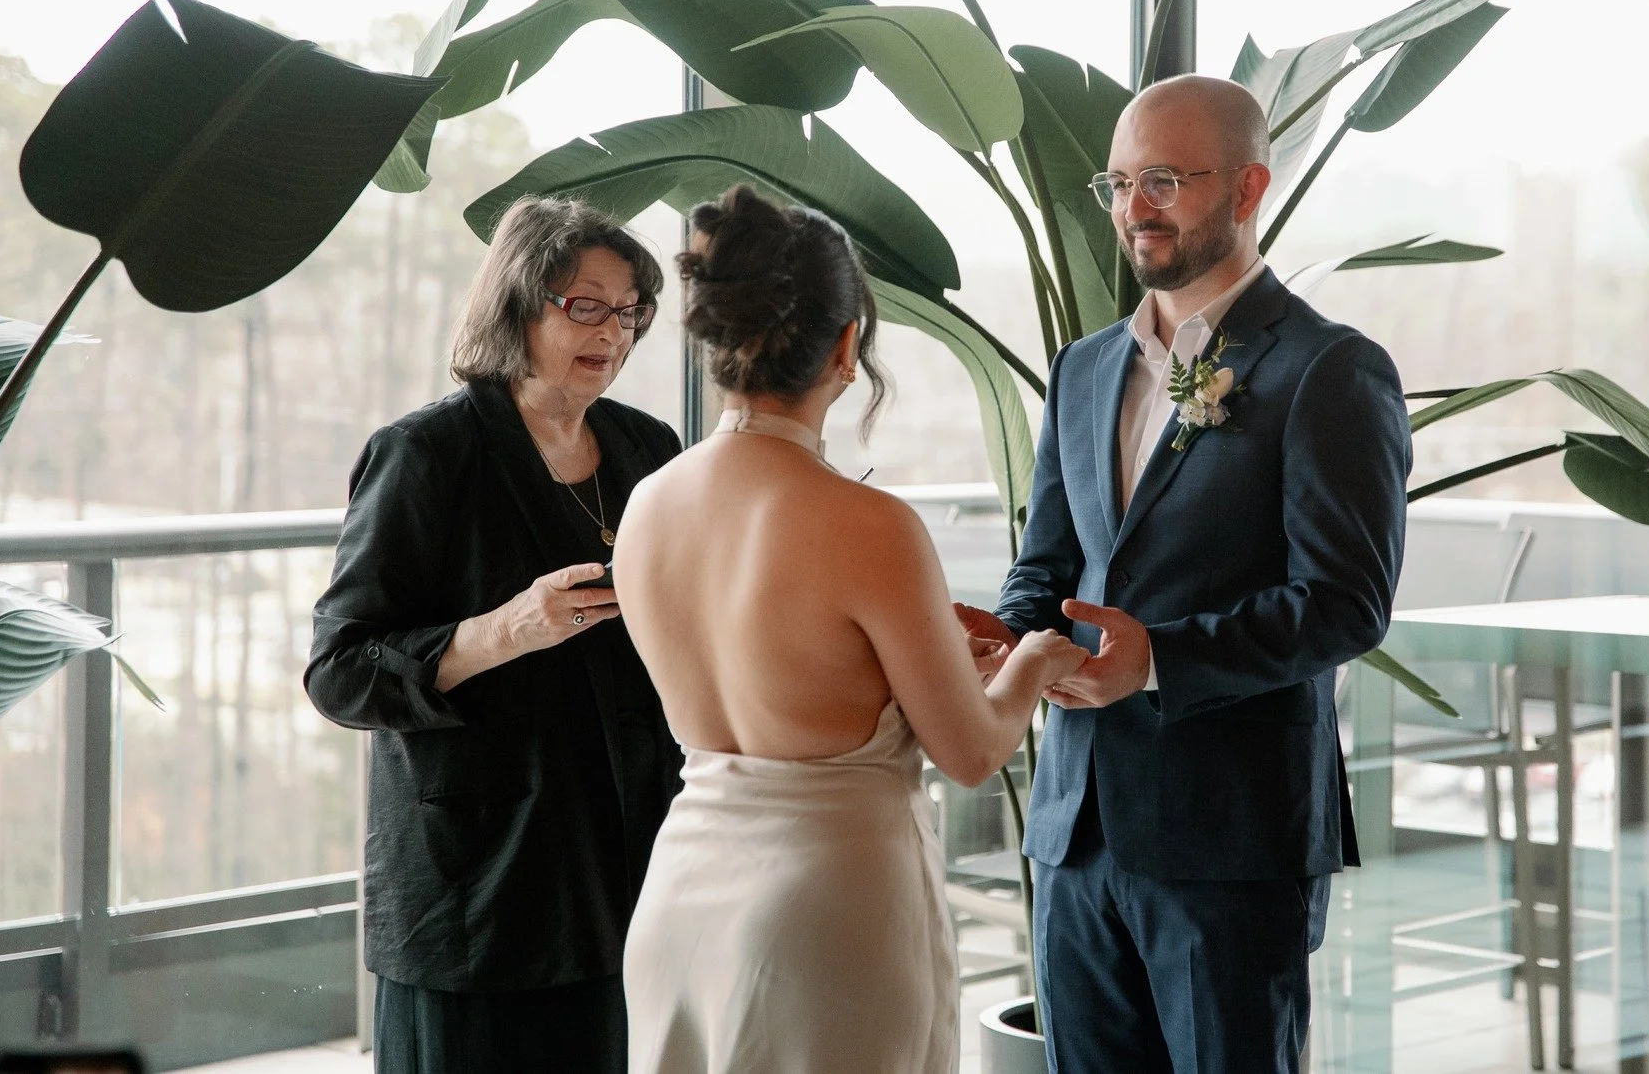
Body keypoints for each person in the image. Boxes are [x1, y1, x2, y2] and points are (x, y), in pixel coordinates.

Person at [959, 75, 1413, 1074]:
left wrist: (1155, 657)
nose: (1133, 206)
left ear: (1247, 188)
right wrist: (1004, 639)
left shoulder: (1328, 370)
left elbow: (1345, 603)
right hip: (1073, 833)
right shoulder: (1081, 368)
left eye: (1162, 178)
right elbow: (1048, 561)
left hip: (1230, 840)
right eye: (1117, 181)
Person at [613, 184, 1086, 1074]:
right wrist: (1030, 660)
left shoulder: (648, 504)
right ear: (844, 347)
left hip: (681, 901)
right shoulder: (870, 525)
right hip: (825, 917)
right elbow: (973, 751)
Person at [305, 197, 684, 1074]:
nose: (613, 330)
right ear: (518, 304)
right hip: (482, 885)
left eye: (630, 310)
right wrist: (502, 631)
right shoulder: (426, 453)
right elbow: (338, 670)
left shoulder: (649, 449)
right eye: (585, 304)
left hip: (630, 863)